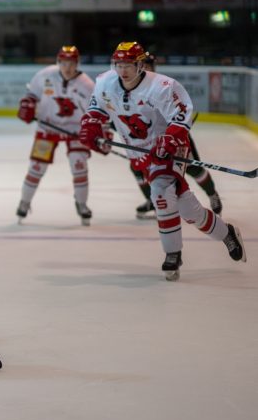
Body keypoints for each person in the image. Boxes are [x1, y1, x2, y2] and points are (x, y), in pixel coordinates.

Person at [79, 41, 246, 281]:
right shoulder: (105, 82)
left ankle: (172, 255)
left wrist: (167, 141)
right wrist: (91, 125)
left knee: (160, 193)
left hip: (169, 148)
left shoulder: (163, 87)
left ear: (140, 64)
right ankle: (226, 233)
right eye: (119, 64)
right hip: (138, 152)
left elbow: (181, 117)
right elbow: (97, 108)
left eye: (129, 65)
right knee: (189, 210)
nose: (123, 70)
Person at [127, 52, 223, 219]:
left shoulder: (163, 86)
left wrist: (175, 133)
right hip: (148, 141)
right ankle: (153, 200)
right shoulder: (130, 88)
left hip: (174, 139)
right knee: (137, 168)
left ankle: (212, 194)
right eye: (141, 65)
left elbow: (181, 113)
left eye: (147, 65)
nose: (144, 69)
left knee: (194, 169)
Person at [15, 46, 98, 225]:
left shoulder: (87, 85)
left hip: (75, 131)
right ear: (58, 62)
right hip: (48, 128)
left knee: (79, 166)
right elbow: (32, 95)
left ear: (77, 63)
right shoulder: (45, 75)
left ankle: (82, 204)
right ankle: (25, 201)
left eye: (71, 63)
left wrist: (100, 132)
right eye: (63, 63)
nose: (67, 67)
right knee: (36, 168)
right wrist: (27, 104)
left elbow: (96, 112)